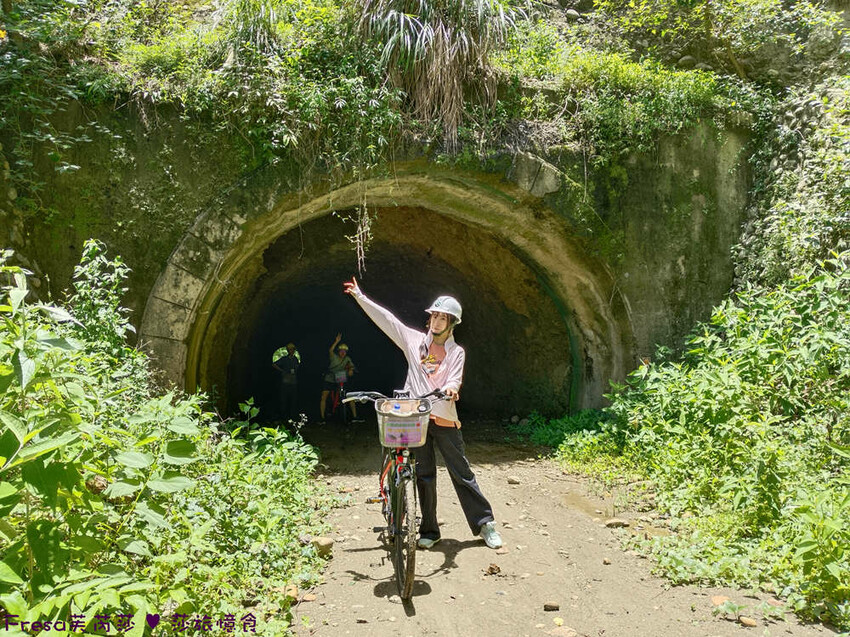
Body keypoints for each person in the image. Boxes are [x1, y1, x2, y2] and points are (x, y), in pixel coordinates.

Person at [343, 277, 503, 550]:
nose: (437, 321)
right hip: (416, 419)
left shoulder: (456, 352)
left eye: (444, 318)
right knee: (424, 474)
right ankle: (429, 530)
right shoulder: (414, 341)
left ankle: (485, 524)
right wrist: (360, 296)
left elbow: (454, 379)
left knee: (461, 472)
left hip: (444, 419)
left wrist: (451, 389)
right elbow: (388, 320)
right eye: (435, 316)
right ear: (429, 319)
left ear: (452, 324)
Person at [319, 333, 359, 422]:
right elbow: (330, 350)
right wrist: (336, 341)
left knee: (349, 395)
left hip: (340, 378)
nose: (343, 353)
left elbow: (352, 367)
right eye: (341, 351)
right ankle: (321, 418)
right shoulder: (334, 357)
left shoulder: (347, 359)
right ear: (338, 351)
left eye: (344, 351)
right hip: (330, 377)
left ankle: (355, 416)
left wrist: (351, 370)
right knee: (324, 396)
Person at [272, 342, 300, 421]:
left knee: (293, 400)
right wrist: (282, 371)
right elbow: (274, 364)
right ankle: (283, 416)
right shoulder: (284, 359)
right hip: (285, 382)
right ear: (287, 350)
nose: (291, 351)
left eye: (293, 349)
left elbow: (297, 367)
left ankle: (292, 416)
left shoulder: (295, 359)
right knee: (284, 400)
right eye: (290, 349)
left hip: (294, 382)